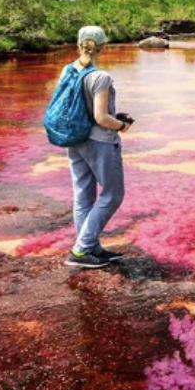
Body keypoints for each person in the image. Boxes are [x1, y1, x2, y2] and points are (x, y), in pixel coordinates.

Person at [65, 25, 132, 269]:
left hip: (74, 139)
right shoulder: (100, 77)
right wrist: (122, 125)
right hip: (100, 142)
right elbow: (102, 118)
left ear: (79, 44)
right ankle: (81, 250)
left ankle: (90, 247)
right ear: (103, 47)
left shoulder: (68, 71)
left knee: (83, 195)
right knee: (113, 194)